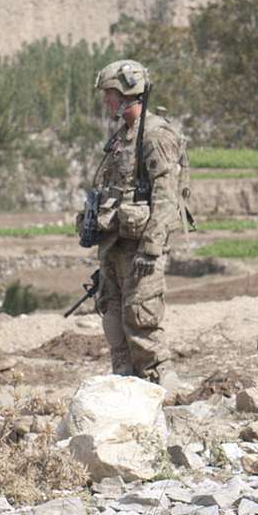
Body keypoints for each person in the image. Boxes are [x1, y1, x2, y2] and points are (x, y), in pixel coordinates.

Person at [84, 59, 189, 380]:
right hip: (114, 245)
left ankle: (164, 392)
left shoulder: (155, 136)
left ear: (128, 93)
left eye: (110, 94)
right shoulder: (122, 137)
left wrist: (151, 249)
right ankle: (126, 387)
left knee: (141, 321)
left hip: (140, 248)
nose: (106, 101)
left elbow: (167, 196)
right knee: (113, 318)